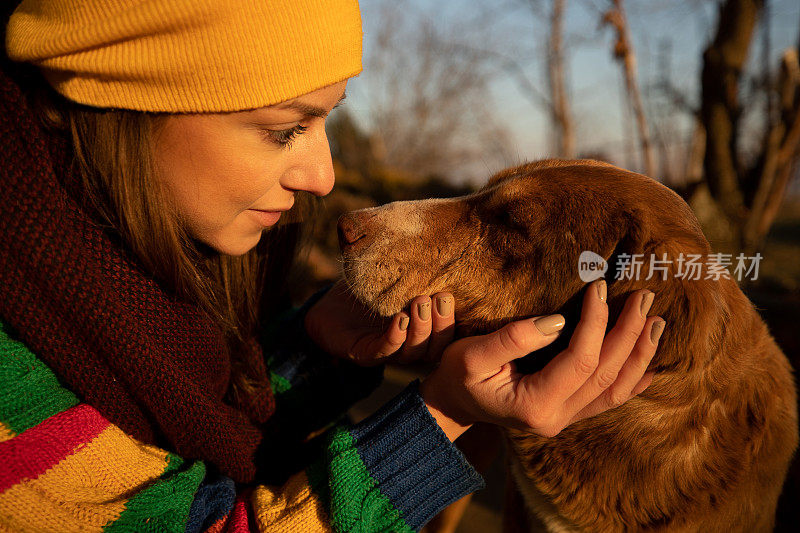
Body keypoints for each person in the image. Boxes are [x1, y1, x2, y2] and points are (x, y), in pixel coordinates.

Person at [0, 0, 664, 531]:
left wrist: (314, 350)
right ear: (122, 92)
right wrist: (437, 420)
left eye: (328, 123)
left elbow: (194, 432)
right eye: (284, 129)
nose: (325, 175)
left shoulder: (115, 267)